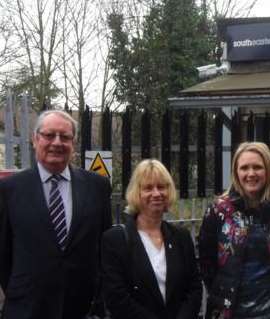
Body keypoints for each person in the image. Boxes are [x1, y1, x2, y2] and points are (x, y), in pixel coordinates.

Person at [0, 110, 112, 319]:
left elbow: (103, 249)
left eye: (65, 137)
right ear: (35, 139)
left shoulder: (97, 186)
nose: (57, 142)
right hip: (26, 309)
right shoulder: (9, 189)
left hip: (82, 309)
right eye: (49, 135)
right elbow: (3, 254)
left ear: (74, 143)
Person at [199, 142, 270, 319]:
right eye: (244, 168)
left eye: (257, 167)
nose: (251, 173)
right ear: (236, 172)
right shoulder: (217, 212)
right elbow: (206, 265)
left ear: (268, 170)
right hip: (230, 312)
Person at [101, 159, 202, 319]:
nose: (156, 194)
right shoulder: (115, 240)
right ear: (137, 193)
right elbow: (116, 297)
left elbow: (194, 288)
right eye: (148, 188)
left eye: (161, 187)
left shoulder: (181, 237)